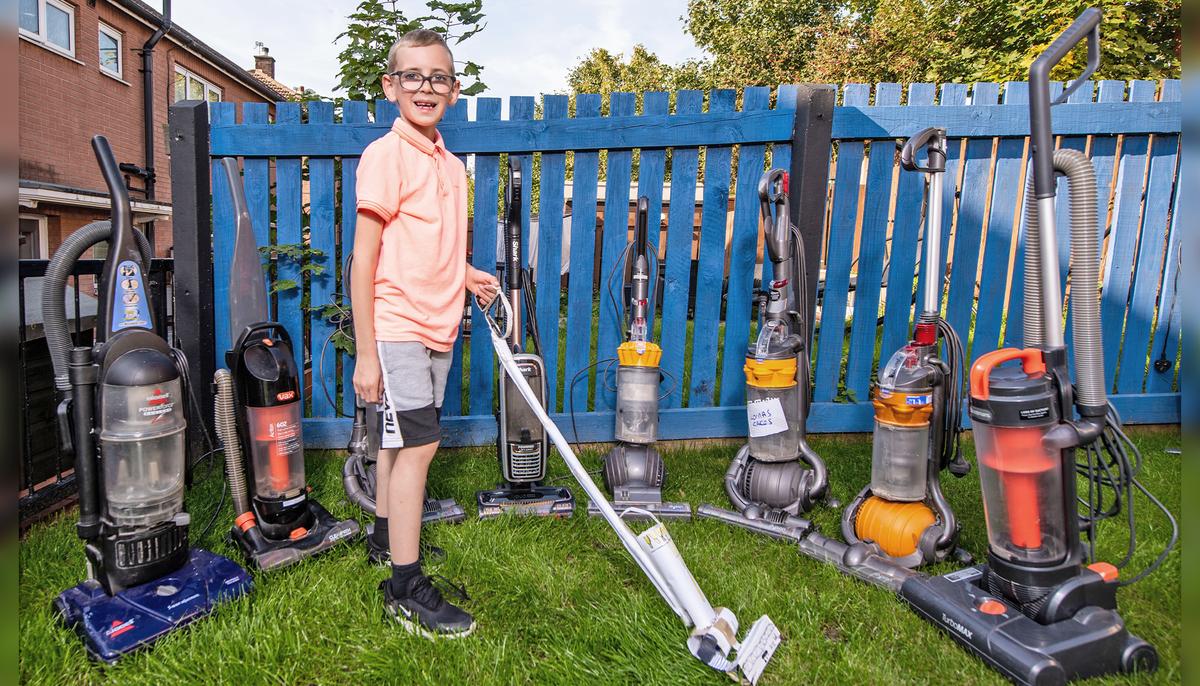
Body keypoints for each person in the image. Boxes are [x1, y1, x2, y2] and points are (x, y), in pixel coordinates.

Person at [350, 28, 498, 639]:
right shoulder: (386, 155)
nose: (425, 87)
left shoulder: (449, 165)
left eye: (438, 77)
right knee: (418, 444)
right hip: (398, 324)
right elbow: (367, 259)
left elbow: (426, 244)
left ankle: (386, 540)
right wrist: (366, 353)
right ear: (390, 86)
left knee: (396, 439)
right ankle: (404, 586)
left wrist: (464, 274)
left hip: (440, 321)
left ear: (454, 91)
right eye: (411, 76)